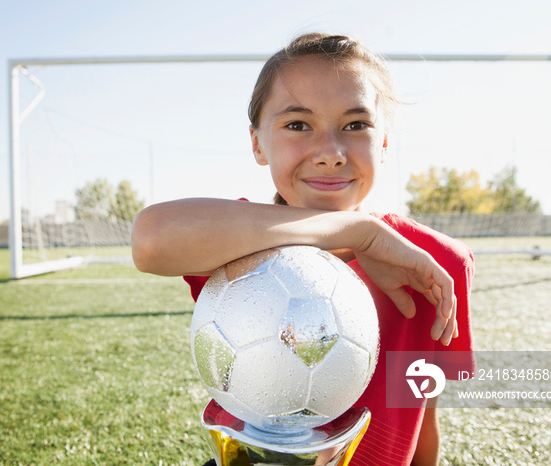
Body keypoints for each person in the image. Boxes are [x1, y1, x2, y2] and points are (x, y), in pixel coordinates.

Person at [132, 33, 474, 466]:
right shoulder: (239, 243)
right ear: (257, 143)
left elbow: (423, 417)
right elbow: (149, 240)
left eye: (356, 125)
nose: (330, 153)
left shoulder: (434, 263)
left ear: (384, 142)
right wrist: (358, 231)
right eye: (298, 124)